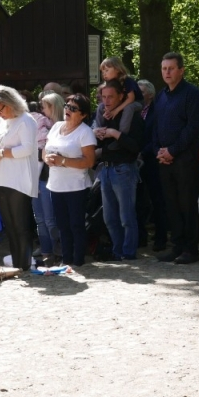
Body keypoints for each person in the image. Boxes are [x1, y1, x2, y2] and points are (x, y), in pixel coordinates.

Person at [152, 52, 199, 264]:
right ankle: (177, 246)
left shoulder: (192, 94)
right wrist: (159, 150)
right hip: (164, 159)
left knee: (187, 204)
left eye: (171, 68)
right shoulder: (161, 96)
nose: (167, 72)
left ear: (181, 70)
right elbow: (156, 126)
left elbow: (192, 128)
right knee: (171, 204)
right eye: (164, 68)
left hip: (185, 159)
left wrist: (172, 151)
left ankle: (191, 249)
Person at [0, 86, 39, 271]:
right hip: (2, 178)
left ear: (11, 103)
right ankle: (17, 265)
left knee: (21, 225)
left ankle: (24, 265)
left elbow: (27, 148)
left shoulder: (26, 120)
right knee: (10, 227)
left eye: (1, 109)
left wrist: (1, 153)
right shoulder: (1, 121)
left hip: (20, 179)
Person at [94, 82, 145, 261]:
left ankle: (128, 253)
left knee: (126, 217)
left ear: (121, 97)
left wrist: (115, 134)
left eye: (110, 97)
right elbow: (101, 146)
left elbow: (135, 147)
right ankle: (118, 251)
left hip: (124, 169)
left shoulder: (132, 115)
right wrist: (98, 134)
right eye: (104, 97)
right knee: (109, 218)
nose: (106, 101)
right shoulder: (103, 114)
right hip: (106, 169)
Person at [44, 93, 96, 266]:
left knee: (76, 225)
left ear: (83, 115)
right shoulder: (56, 126)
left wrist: (63, 161)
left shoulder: (85, 132)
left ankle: (78, 260)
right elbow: (45, 149)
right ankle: (66, 259)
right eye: (67, 106)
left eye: (73, 109)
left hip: (76, 187)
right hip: (55, 185)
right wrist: (47, 159)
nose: (67, 110)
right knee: (62, 227)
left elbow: (89, 161)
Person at [33, 92, 63, 262]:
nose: (41, 109)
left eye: (44, 106)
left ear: (52, 107)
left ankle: (58, 252)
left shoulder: (61, 127)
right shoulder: (39, 124)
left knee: (50, 220)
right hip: (37, 177)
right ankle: (46, 252)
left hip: (50, 178)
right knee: (40, 219)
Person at [137, 79, 167, 251]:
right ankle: (141, 237)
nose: (139, 95)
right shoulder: (135, 110)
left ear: (150, 94)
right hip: (136, 161)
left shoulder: (156, 112)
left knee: (157, 200)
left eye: (142, 92)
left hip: (152, 161)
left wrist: (145, 151)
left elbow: (156, 135)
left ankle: (160, 237)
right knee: (139, 201)